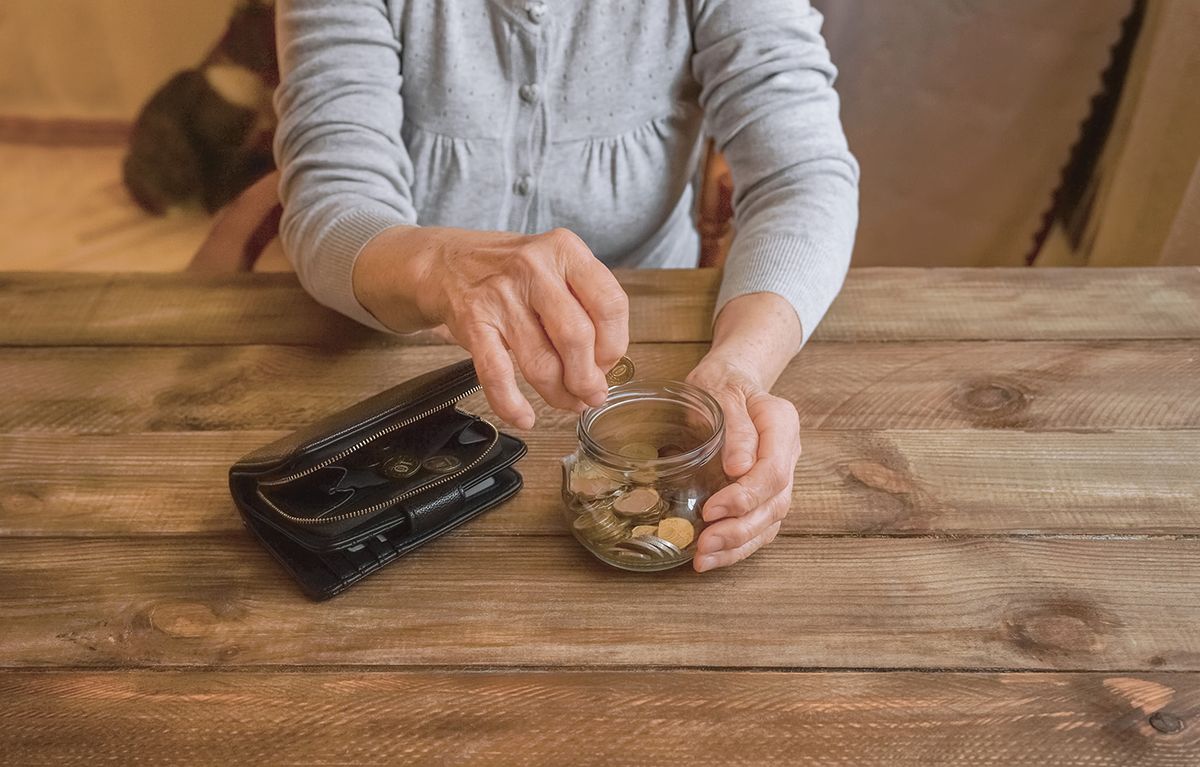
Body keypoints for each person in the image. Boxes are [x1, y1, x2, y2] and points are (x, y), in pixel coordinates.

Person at [273, 0, 859, 572]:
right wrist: (436, 266)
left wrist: (740, 369)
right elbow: (332, 197)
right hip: (399, 349)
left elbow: (803, 176)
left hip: (660, 329)